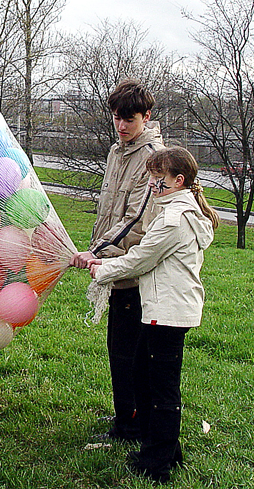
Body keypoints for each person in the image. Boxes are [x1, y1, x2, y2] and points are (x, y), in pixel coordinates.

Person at [88, 146, 219, 483]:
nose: (152, 185)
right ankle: (163, 448)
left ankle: (157, 462)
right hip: (162, 309)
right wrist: (105, 263)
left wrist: (100, 268)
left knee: (160, 387)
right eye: (151, 177)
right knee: (144, 376)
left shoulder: (175, 219)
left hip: (168, 312)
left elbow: (141, 259)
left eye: (159, 179)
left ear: (179, 180)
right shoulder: (174, 210)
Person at [71, 79, 164, 441]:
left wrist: (96, 254)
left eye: (130, 119)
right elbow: (108, 209)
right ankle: (127, 416)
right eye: (117, 118)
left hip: (133, 269)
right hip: (112, 266)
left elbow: (136, 218)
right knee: (120, 350)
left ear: (147, 116)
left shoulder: (153, 157)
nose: (122, 126)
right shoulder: (116, 152)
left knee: (130, 353)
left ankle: (133, 424)